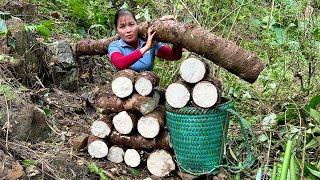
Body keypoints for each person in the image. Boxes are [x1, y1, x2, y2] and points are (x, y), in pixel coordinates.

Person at [108, 8, 182, 72]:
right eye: (122, 27)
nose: (128, 30)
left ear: (137, 25)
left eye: (131, 24)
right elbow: (120, 64)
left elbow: (174, 56)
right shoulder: (115, 46)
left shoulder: (149, 41)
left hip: (148, 86)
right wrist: (146, 48)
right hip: (124, 87)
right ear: (116, 29)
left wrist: (175, 32)